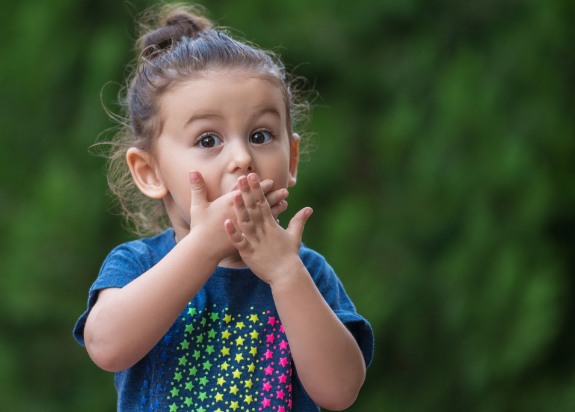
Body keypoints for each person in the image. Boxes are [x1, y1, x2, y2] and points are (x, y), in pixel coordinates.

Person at [74, 3, 374, 411]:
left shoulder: (306, 272)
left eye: (261, 134)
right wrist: (204, 246)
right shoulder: (138, 264)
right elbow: (106, 347)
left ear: (292, 160)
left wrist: (285, 273)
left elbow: (339, 391)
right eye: (208, 140)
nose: (242, 158)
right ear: (149, 171)